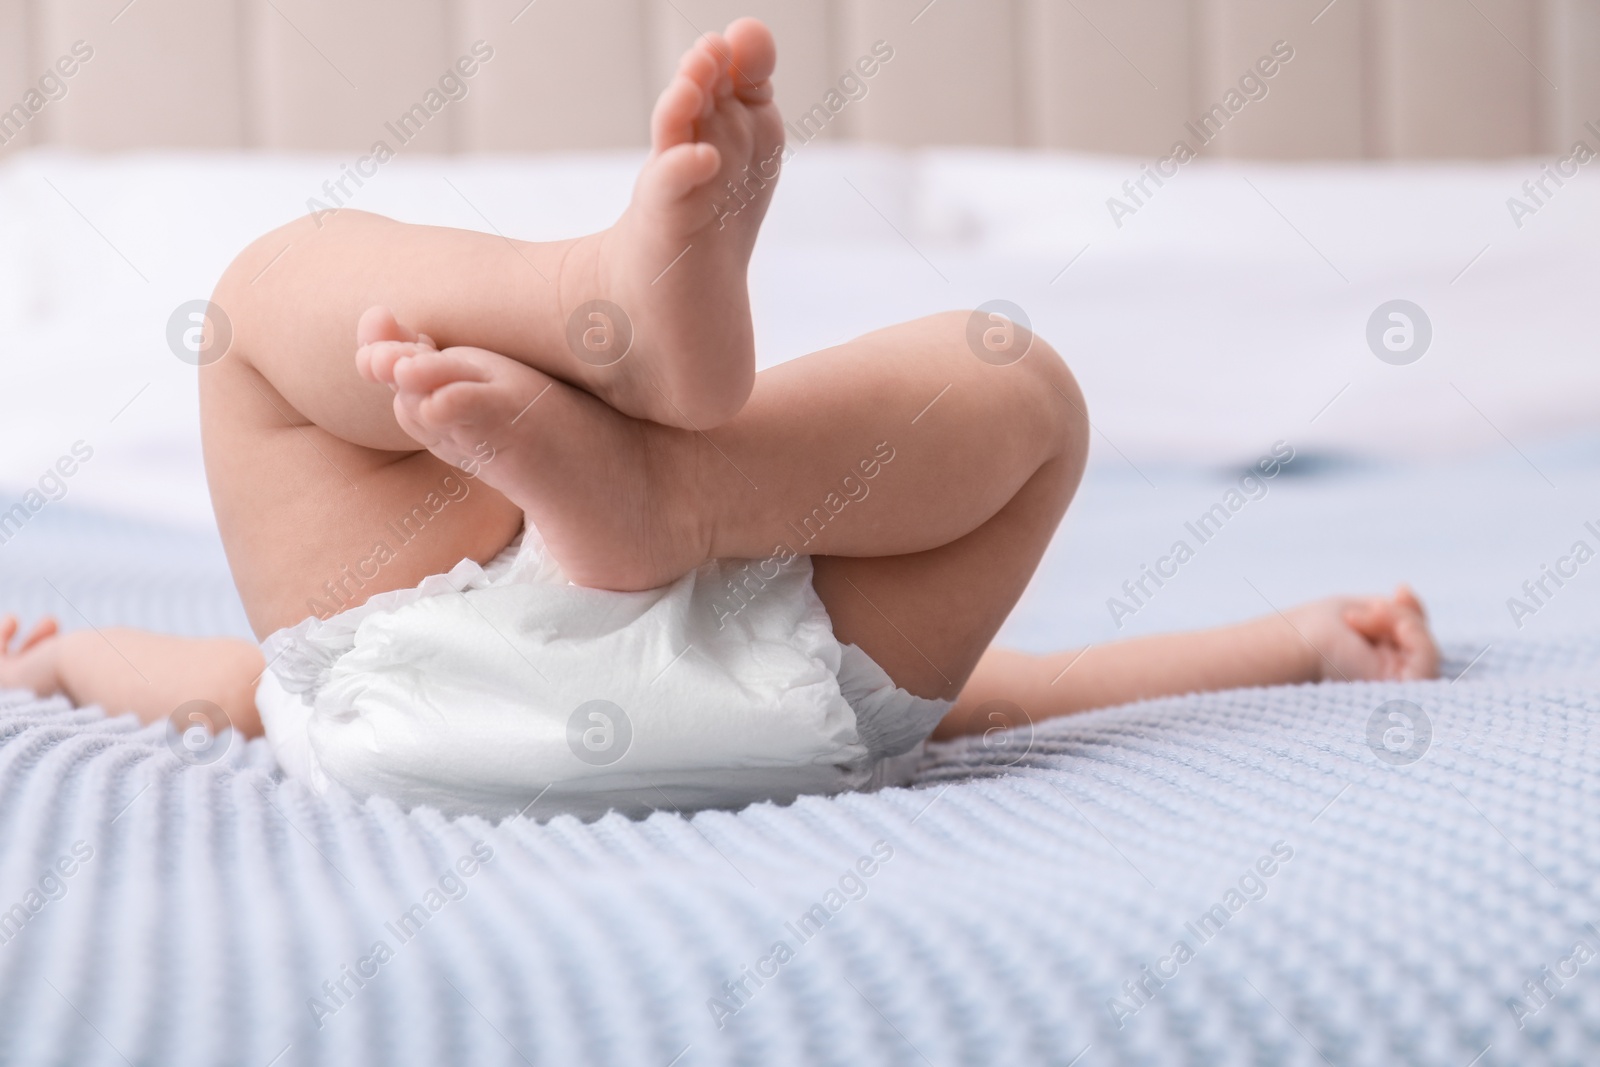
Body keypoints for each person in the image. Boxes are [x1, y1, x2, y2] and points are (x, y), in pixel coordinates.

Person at [0, 19, 1437, 812]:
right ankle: (657, 452)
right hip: (786, 695)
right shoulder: (862, 641)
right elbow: (1017, 697)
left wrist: (58, 667)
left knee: (258, 306)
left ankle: (602, 316)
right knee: (1021, 387)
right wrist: (1292, 643)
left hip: (411, 693)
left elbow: (202, 687)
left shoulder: (296, 676)